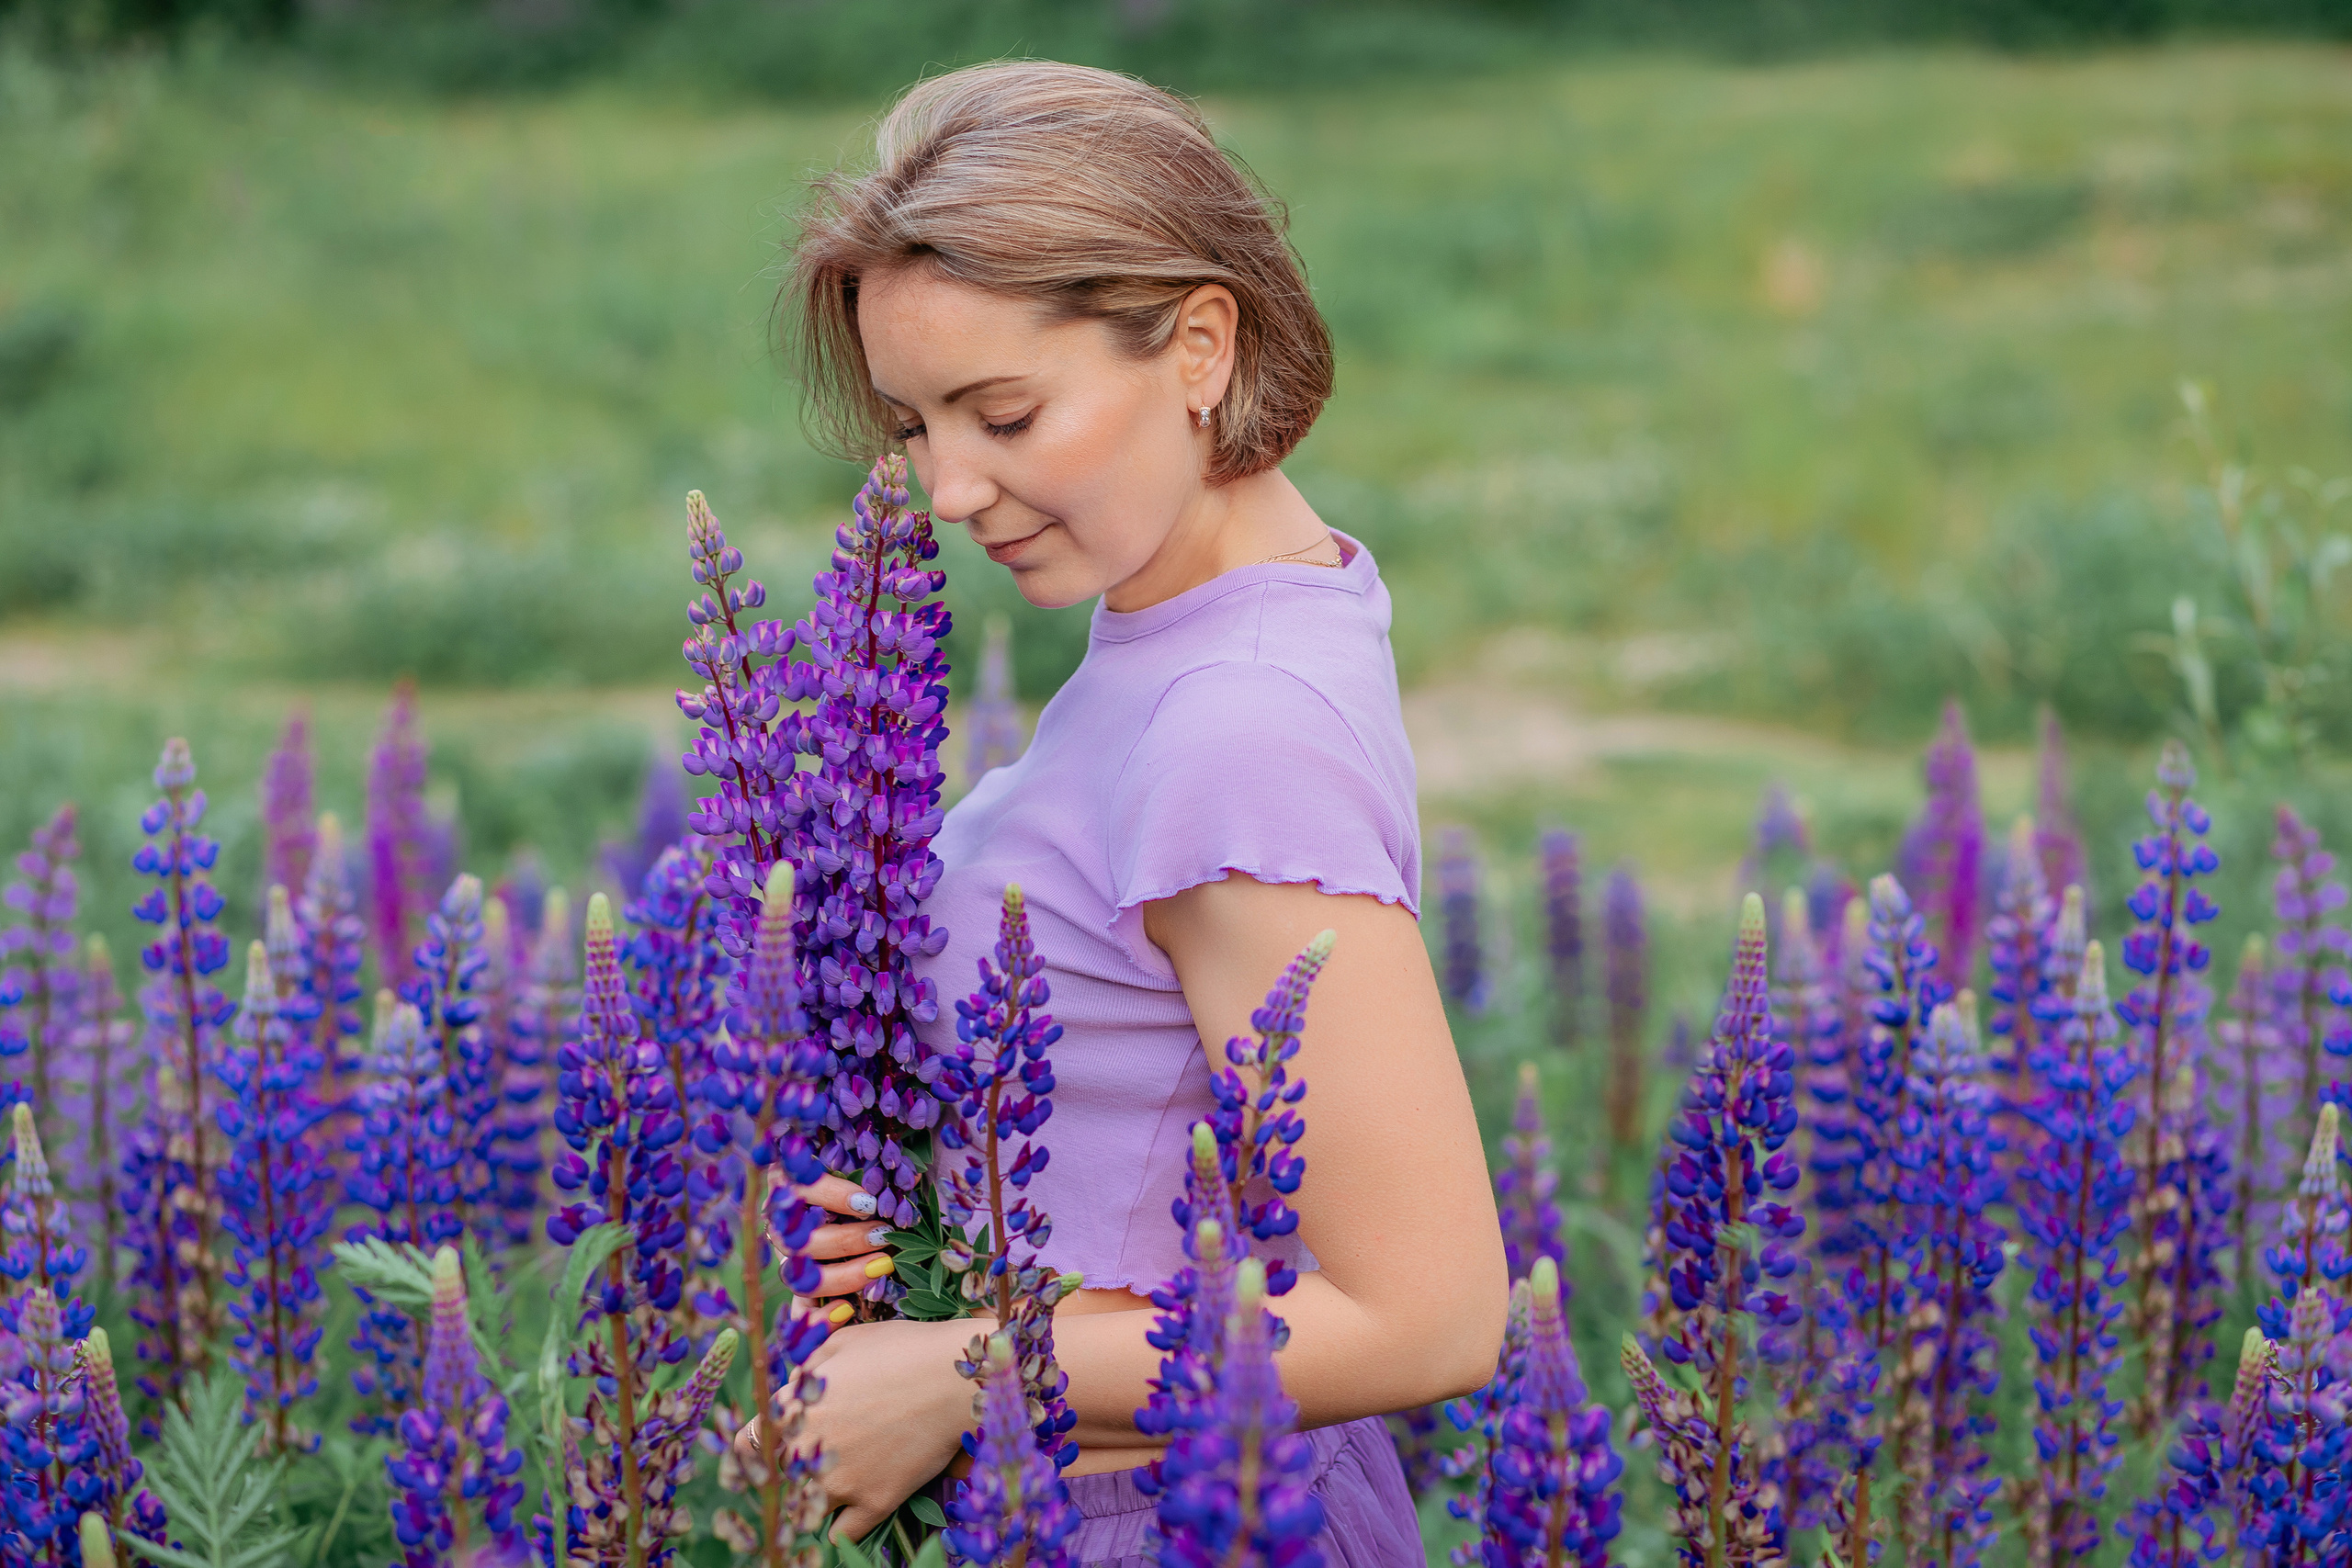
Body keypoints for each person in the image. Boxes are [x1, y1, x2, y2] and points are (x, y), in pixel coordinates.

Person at [738, 60, 1507, 1567]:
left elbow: (1429, 1316)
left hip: (1174, 1517)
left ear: (1201, 344)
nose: (947, 488)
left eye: (1004, 414)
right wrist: (919, 1246)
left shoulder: (1238, 724)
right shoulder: (1201, 619)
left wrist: (957, 1370)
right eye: (911, 426)